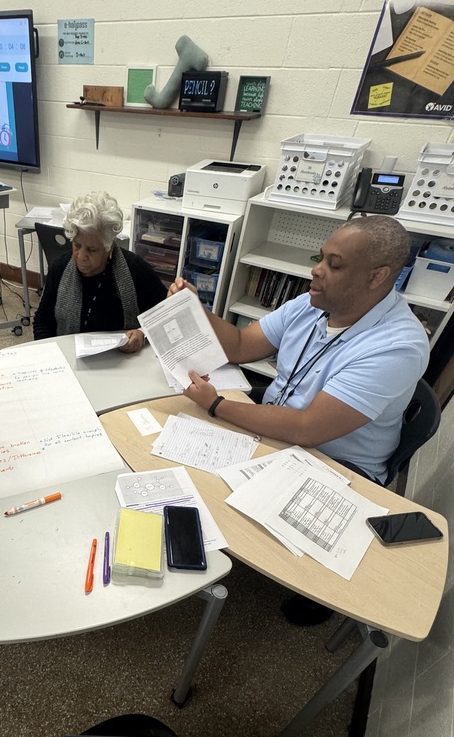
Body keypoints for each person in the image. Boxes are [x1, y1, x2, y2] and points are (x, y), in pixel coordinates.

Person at [170, 214, 430, 624]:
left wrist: (217, 405)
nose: (317, 271)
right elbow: (239, 346)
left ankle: (317, 582)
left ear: (377, 277)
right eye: (320, 257)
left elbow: (309, 428)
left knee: (220, 483)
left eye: (335, 264)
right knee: (183, 458)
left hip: (337, 462)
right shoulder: (314, 304)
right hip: (282, 425)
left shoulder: (397, 346)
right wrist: (194, 309)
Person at [32, 190, 167, 351]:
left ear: (109, 247)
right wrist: (51, 355)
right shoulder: (60, 267)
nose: (81, 256)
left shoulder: (135, 269)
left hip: (122, 361)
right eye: (77, 245)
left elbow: (166, 317)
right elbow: (42, 321)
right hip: (69, 358)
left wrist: (142, 334)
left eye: (92, 250)